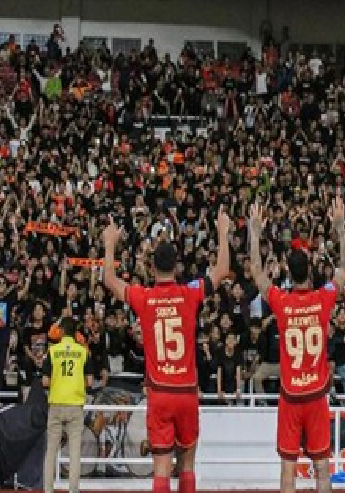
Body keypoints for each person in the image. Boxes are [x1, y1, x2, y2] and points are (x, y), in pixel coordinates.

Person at [101, 210, 231, 493]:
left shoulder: (144, 297)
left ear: (151, 267)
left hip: (159, 392)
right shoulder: (189, 293)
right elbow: (221, 271)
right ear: (177, 266)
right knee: (186, 466)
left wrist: (110, 242)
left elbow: (110, 280)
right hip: (186, 391)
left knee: (161, 469)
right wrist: (222, 231)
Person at [248, 196, 345, 493]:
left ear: (288, 273)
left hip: (291, 395)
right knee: (321, 468)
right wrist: (341, 229)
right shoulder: (323, 298)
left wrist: (254, 234)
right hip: (316, 395)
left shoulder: (281, 302)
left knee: (288, 471)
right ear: (310, 271)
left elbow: (256, 274)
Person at [42, 317, 95, 493]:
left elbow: (45, 381)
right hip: (75, 404)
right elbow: (89, 381)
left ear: (62, 331)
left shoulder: (52, 351)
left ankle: (48, 490)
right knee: (74, 451)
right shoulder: (83, 352)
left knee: (51, 450)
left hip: (56, 402)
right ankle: (73, 490)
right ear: (75, 333)